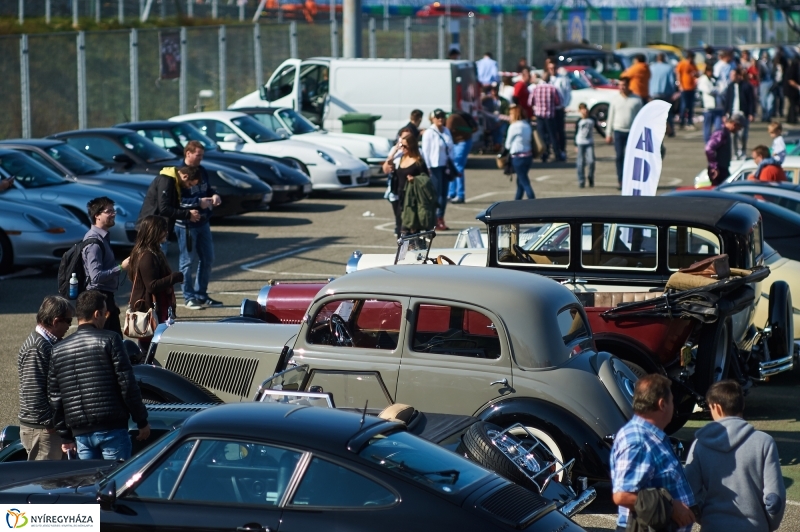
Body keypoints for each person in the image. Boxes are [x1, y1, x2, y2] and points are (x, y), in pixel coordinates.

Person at [49, 290, 150, 461]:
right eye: (105, 313)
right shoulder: (111, 340)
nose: (106, 318)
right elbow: (127, 384)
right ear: (97, 314)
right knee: (116, 482)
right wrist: (141, 420)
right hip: (111, 428)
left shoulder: (58, 350)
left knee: (90, 484)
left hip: (80, 434)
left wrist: (65, 436)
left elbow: (55, 397)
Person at [684, 380, 785, 532]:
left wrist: (706, 519)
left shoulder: (700, 444)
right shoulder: (764, 442)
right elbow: (775, 498)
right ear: (742, 405)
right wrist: (768, 525)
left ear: (716, 407)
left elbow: (690, 494)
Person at [611, 374, 697, 532]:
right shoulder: (638, 442)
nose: (674, 407)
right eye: (672, 401)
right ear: (662, 404)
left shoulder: (653, 436)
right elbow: (622, 495)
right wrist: (673, 507)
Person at [18, 295, 73, 461]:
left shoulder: (47, 343)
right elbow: (33, 392)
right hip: (42, 431)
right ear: (56, 321)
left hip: (46, 428)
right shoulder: (36, 348)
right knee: (46, 483)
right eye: (68, 321)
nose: (69, 326)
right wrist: (51, 424)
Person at [128, 215, 184, 351]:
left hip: (155, 308)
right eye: (163, 229)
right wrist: (174, 277)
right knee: (150, 348)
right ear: (154, 231)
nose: (166, 232)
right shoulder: (147, 255)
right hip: (151, 311)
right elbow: (151, 285)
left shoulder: (149, 251)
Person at [179, 141, 222, 310]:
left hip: (204, 222)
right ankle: (189, 296)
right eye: (198, 155)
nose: (200, 159)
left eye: (202, 156)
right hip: (187, 225)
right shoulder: (179, 173)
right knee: (187, 262)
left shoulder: (202, 171)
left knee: (208, 258)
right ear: (188, 154)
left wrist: (215, 195)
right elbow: (177, 201)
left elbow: (208, 189)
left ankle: (201, 294)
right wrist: (197, 202)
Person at [82, 197, 129, 337]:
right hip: (98, 300)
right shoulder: (94, 243)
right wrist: (121, 267)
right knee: (109, 342)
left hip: (106, 299)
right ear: (97, 215)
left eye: (113, 210)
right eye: (109, 211)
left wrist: (111, 300)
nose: (113, 214)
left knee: (115, 340)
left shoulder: (103, 238)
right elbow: (95, 277)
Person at [137, 165, 202, 253]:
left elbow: (171, 206)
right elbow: (164, 209)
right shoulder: (166, 181)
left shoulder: (174, 183)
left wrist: (188, 212)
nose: (189, 187)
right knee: (153, 263)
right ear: (185, 176)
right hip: (152, 231)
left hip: (159, 231)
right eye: (189, 184)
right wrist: (187, 214)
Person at [384, 128, 429, 236]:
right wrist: (393, 167)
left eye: (405, 146)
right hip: (400, 197)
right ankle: (402, 250)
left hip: (412, 200)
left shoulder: (419, 162)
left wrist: (415, 179)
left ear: (411, 146)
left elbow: (427, 179)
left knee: (411, 228)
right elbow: (389, 171)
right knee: (400, 227)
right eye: (401, 145)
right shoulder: (401, 159)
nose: (402, 148)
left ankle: (415, 250)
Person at [420, 109, 455, 231]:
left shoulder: (446, 131)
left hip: (445, 166)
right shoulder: (429, 133)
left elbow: (451, 148)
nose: (440, 119)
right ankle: (433, 219)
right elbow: (426, 152)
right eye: (438, 116)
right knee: (436, 193)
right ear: (433, 119)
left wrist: (451, 163)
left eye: (442, 116)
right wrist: (428, 167)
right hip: (434, 166)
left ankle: (440, 218)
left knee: (444, 194)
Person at [606, 77, 643, 188]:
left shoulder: (636, 100)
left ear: (629, 86)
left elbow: (640, 117)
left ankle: (631, 180)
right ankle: (621, 180)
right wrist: (608, 133)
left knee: (631, 157)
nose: (622, 87)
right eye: (620, 85)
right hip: (618, 131)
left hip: (632, 132)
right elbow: (610, 117)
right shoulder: (615, 99)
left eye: (624, 85)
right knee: (619, 156)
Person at [723, 68, 756, 159]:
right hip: (733, 113)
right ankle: (735, 152)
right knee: (733, 135)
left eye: (733, 75)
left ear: (738, 75)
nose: (731, 77)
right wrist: (725, 113)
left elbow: (751, 101)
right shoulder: (730, 86)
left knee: (743, 134)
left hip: (742, 113)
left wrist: (751, 113)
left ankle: (743, 151)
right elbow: (727, 101)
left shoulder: (746, 86)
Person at [446, 110, 478, 204]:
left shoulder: (451, 119)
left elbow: (447, 134)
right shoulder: (452, 117)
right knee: (453, 166)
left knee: (458, 167)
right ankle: (451, 193)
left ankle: (460, 195)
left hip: (463, 142)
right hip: (460, 142)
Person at [706, 113, 744, 186]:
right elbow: (709, 148)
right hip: (718, 170)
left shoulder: (726, 133)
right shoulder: (721, 133)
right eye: (739, 127)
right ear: (734, 124)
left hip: (722, 168)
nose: (738, 130)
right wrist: (714, 167)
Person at [505, 106, 534, 200]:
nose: (509, 116)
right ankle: (517, 201)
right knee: (520, 181)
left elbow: (507, 144)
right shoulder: (527, 125)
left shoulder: (513, 126)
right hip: (528, 156)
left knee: (524, 181)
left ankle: (532, 200)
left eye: (511, 114)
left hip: (518, 157)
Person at [531, 71, 561, 163]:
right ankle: (557, 154)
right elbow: (558, 102)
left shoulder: (536, 88)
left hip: (539, 115)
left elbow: (530, 101)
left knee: (541, 136)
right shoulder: (552, 88)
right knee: (552, 135)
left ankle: (544, 155)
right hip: (549, 115)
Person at [546, 61, 571, 161]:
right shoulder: (547, 79)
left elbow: (568, 94)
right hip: (548, 110)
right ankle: (552, 151)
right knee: (550, 132)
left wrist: (564, 105)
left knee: (560, 131)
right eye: (550, 68)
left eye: (553, 68)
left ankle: (562, 150)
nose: (552, 70)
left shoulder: (563, 79)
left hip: (559, 109)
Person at [649, 53, 677, 136]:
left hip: (653, 94)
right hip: (665, 94)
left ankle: (655, 131)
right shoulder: (668, 68)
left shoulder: (651, 67)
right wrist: (673, 92)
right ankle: (670, 131)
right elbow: (672, 82)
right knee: (668, 114)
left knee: (655, 114)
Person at [482, 85, 510, 152]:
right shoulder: (487, 100)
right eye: (492, 90)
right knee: (491, 130)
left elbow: (506, 113)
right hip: (490, 121)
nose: (494, 91)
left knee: (501, 130)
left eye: (495, 90)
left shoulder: (503, 100)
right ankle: (494, 146)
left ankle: (498, 145)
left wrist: (500, 121)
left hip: (502, 120)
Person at [676, 50, 698, 130]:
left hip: (692, 88)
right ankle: (681, 121)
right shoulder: (682, 64)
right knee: (684, 105)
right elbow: (678, 74)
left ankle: (689, 121)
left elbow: (697, 73)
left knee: (691, 106)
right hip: (684, 88)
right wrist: (680, 85)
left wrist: (695, 75)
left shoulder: (693, 65)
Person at [574, 103, 595, 188]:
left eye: (585, 109)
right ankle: (581, 180)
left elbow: (598, 128)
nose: (584, 111)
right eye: (582, 109)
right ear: (580, 111)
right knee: (580, 162)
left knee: (591, 161)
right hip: (580, 143)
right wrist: (575, 145)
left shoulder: (591, 120)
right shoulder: (579, 121)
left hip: (589, 142)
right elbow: (575, 133)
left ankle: (590, 177)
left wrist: (606, 136)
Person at [698, 65, 721, 143]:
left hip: (718, 107)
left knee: (718, 127)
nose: (710, 73)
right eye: (709, 71)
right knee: (707, 127)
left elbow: (721, 88)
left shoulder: (714, 79)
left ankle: (716, 142)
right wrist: (716, 90)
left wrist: (716, 90)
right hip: (708, 107)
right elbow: (708, 90)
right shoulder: (703, 80)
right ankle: (707, 143)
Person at [758, 52, 775, 122]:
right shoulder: (761, 64)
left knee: (771, 100)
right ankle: (764, 115)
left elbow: (774, 73)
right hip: (764, 83)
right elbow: (760, 74)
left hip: (771, 82)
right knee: (763, 100)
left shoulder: (771, 64)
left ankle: (769, 115)